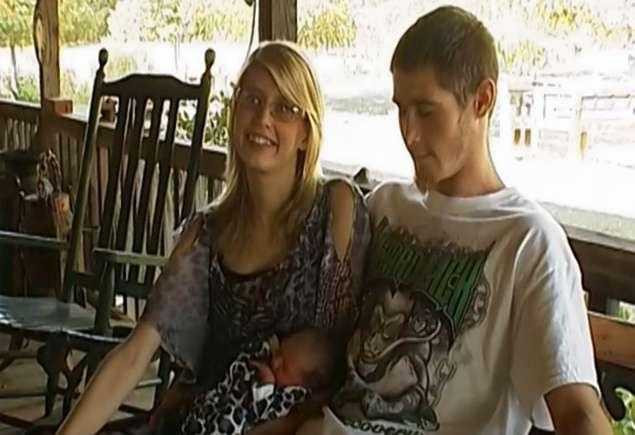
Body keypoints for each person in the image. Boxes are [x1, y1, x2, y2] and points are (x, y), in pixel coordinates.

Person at [316, 6, 611, 435]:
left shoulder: (528, 242)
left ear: (482, 100)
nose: (409, 134)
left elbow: (578, 413)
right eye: (401, 109)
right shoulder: (384, 206)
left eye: (426, 111)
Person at [55, 40, 370, 435]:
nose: (263, 118)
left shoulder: (335, 210)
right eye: (252, 99)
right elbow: (135, 353)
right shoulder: (205, 233)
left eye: (284, 108)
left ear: (306, 132)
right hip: (204, 422)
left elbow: (343, 365)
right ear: (234, 112)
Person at [181, 328, 336, 435]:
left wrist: (266, 388)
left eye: (284, 366)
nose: (275, 362)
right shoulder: (272, 363)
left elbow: (261, 414)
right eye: (279, 353)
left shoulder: (292, 398)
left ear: (302, 385)